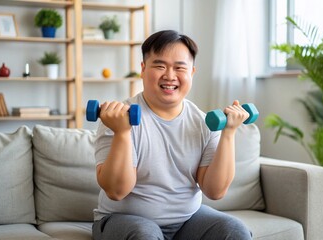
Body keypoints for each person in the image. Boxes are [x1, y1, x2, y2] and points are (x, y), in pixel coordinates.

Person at [92, 30, 252, 240]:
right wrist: (122, 133)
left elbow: (215, 191)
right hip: (122, 219)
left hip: (187, 220)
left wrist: (228, 133)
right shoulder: (117, 117)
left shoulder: (203, 122)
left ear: (192, 73)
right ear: (143, 69)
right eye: (159, 66)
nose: (169, 75)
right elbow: (116, 191)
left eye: (179, 67)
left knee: (234, 231)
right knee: (144, 235)